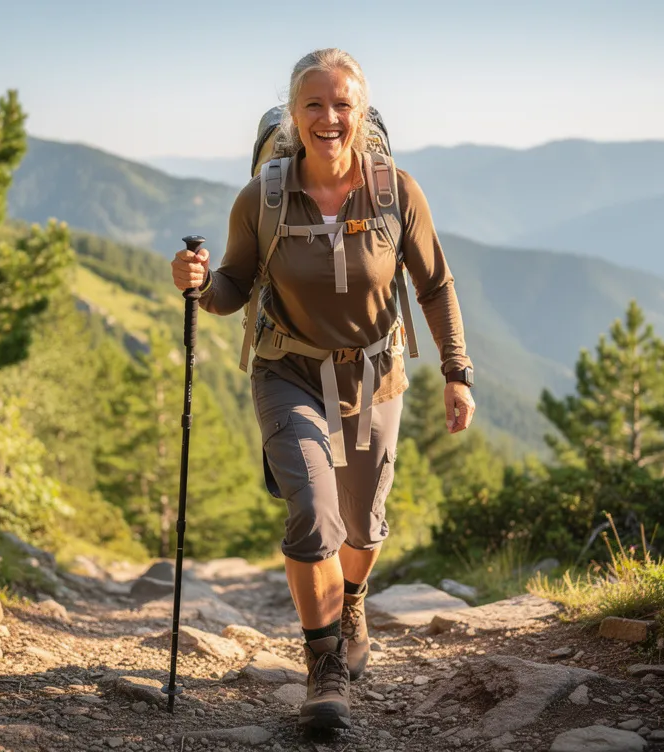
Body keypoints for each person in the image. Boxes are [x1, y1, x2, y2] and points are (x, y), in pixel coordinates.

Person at [170, 47, 475, 731]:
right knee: (313, 511)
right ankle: (324, 667)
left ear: (362, 113)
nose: (329, 117)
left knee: (363, 527)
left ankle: (352, 600)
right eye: (314, 104)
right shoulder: (264, 196)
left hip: (376, 375)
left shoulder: (396, 192)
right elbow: (232, 286)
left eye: (342, 104)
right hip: (288, 371)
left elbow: (435, 285)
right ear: (293, 114)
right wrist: (198, 283)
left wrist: (457, 373)